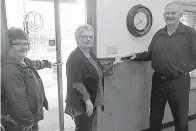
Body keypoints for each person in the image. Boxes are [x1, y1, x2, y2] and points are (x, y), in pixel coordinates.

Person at [124, 2, 196, 131]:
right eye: (167, 13)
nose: (169, 16)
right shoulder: (158, 34)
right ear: (163, 15)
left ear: (180, 15)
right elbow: (150, 54)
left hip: (179, 82)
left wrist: (185, 68)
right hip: (158, 81)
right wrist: (136, 55)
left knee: (181, 120)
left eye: (173, 13)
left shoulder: (190, 33)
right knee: (155, 117)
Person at [64, 24, 121, 131]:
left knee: (87, 127)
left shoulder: (90, 54)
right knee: (83, 128)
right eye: (84, 36)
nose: (88, 39)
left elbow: (98, 71)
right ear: (77, 39)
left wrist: (114, 63)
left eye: (91, 36)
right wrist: (87, 101)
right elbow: (76, 83)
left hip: (91, 99)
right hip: (81, 102)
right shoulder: (74, 58)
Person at [1, 27, 54, 131]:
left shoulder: (24, 61)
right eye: (18, 44)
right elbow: (18, 98)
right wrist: (27, 119)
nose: (24, 47)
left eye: (25, 43)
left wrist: (47, 63)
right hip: (20, 122)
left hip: (30, 117)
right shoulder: (10, 69)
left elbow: (34, 64)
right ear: (8, 46)